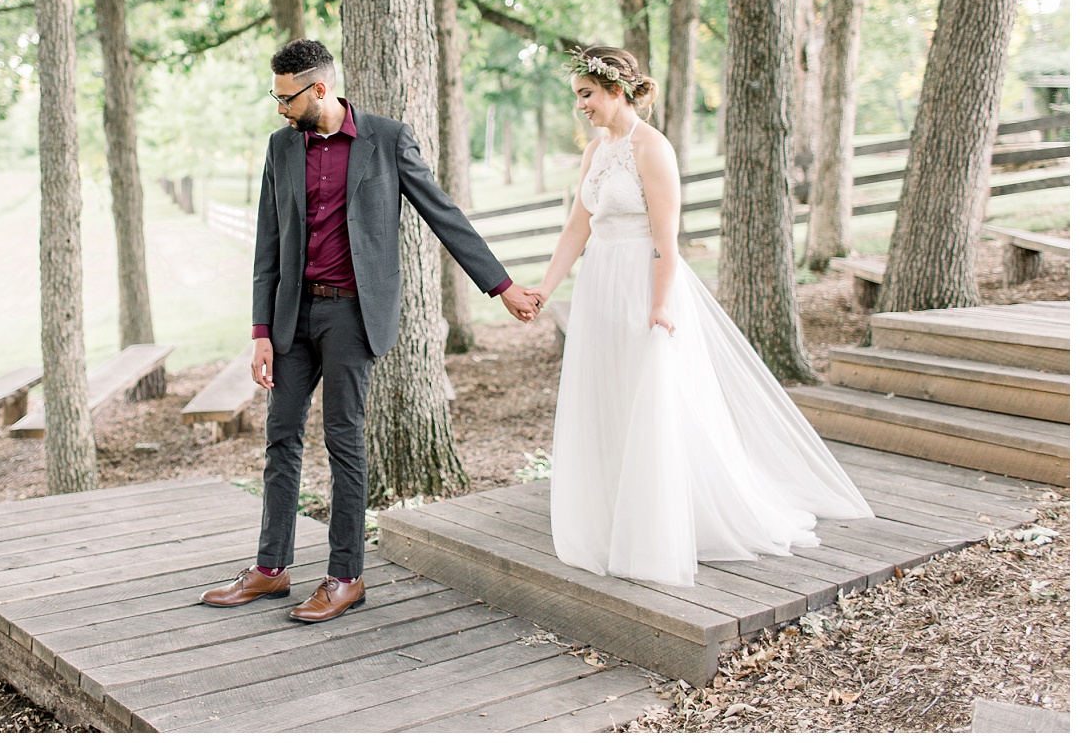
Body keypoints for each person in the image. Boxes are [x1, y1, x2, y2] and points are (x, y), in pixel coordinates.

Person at [200, 38, 540, 621]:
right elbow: (266, 245)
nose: (280, 110)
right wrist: (260, 331)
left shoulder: (387, 140)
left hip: (352, 316)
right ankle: (271, 569)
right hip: (291, 318)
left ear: (321, 89)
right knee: (280, 438)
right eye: (275, 99)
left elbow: (443, 214)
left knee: (344, 442)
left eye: (287, 99)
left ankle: (345, 576)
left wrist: (501, 286)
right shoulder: (280, 149)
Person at [523, 45, 872, 588]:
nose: (581, 106)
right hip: (600, 285)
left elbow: (667, 239)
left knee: (653, 399)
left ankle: (663, 521)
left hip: (644, 282)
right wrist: (545, 290)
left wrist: (660, 304)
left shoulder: (652, 149)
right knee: (609, 394)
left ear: (616, 90)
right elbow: (577, 228)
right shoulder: (596, 152)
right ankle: (616, 512)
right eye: (578, 97)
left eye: (586, 95)